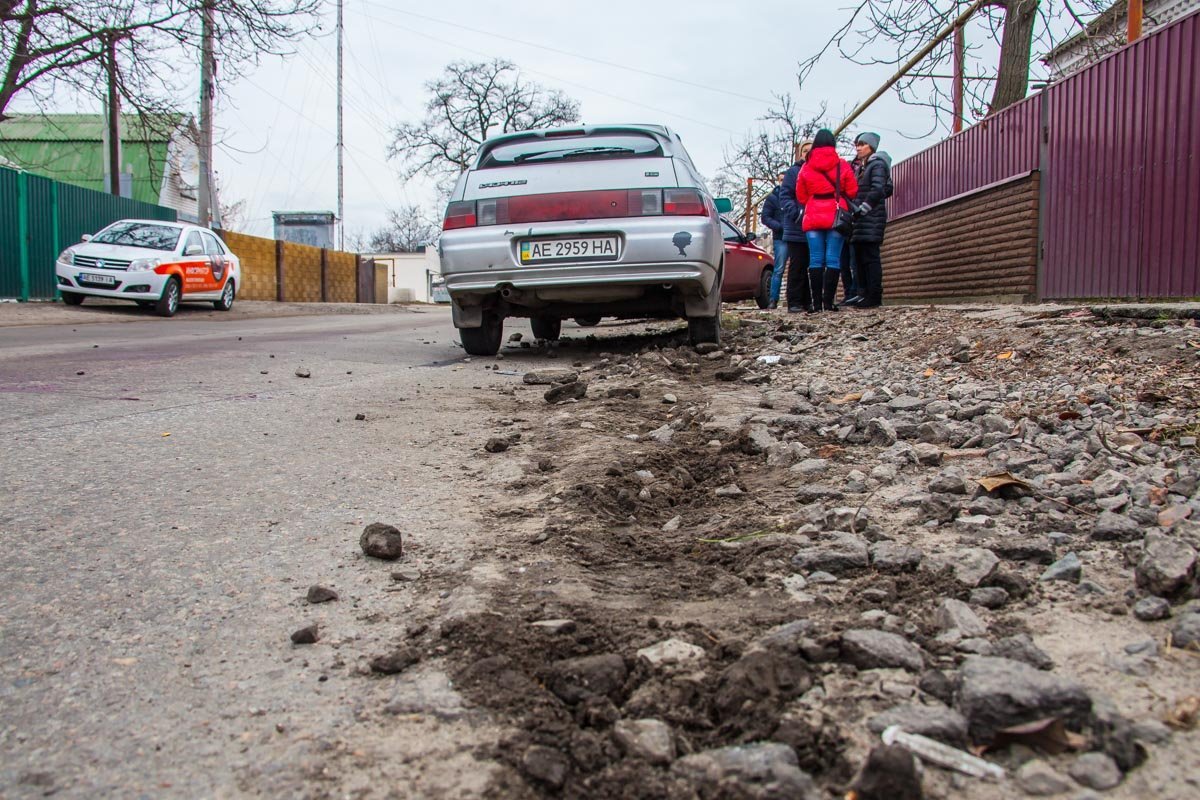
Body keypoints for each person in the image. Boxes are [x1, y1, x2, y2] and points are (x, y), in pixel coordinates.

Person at [794, 129, 858, 312]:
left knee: (815, 259)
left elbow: (800, 194)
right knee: (833, 259)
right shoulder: (842, 165)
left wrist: (813, 200)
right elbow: (852, 191)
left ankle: (816, 304)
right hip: (836, 213)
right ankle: (829, 303)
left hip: (813, 213)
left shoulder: (806, 167)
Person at [845, 132, 891, 309]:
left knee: (870, 257)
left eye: (862, 144)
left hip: (870, 217)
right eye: (857, 144)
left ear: (871, 146)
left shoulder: (877, 165)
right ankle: (863, 294)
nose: (858, 148)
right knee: (860, 257)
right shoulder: (863, 167)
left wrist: (864, 207)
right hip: (861, 220)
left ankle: (873, 295)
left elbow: (878, 188)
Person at [779, 140, 813, 312]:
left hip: (814, 225)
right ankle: (794, 301)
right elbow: (785, 196)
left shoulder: (817, 171)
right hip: (796, 227)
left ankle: (807, 301)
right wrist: (798, 213)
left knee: (810, 264)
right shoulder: (794, 172)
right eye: (804, 150)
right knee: (797, 264)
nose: (807, 153)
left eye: (810, 150)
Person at [759, 173, 788, 308]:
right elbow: (765, 217)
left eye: (785, 180)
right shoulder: (773, 198)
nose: (783, 182)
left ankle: (796, 299)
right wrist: (779, 227)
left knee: (798, 269)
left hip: (795, 236)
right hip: (781, 237)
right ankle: (773, 299)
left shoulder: (795, 195)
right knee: (779, 269)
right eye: (781, 180)